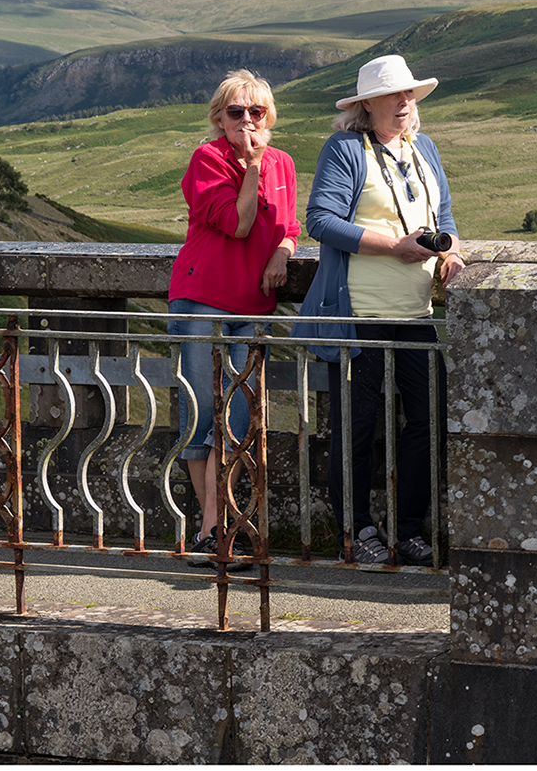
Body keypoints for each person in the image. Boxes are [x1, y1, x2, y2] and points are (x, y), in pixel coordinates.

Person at [297, 55, 465, 567]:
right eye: (394, 95)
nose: (405, 102)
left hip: (415, 313)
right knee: (357, 427)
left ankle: (408, 528)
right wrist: (394, 247)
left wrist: (450, 251)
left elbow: (446, 216)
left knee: (427, 421)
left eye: (410, 94)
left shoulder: (424, 148)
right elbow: (321, 221)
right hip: (360, 315)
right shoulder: (345, 148)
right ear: (366, 105)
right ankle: (355, 530)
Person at [167, 70, 300, 570]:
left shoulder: (283, 162)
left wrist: (283, 255)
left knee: (238, 422)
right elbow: (240, 224)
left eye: (257, 112)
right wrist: (249, 168)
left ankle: (224, 526)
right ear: (218, 118)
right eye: (236, 112)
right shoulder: (209, 159)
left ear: (270, 117)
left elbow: (288, 225)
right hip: (204, 300)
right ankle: (211, 530)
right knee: (203, 416)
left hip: (251, 306)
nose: (247, 120)